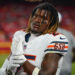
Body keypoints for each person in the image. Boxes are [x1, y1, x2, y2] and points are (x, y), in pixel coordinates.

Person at [0, 3, 69, 75]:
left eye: (44, 18)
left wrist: (23, 61)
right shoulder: (20, 34)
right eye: (35, 16)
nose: (37, 20)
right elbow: (6, 65)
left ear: (52, 22)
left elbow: (47, 73)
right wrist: (7, 71)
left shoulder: (57, 39)